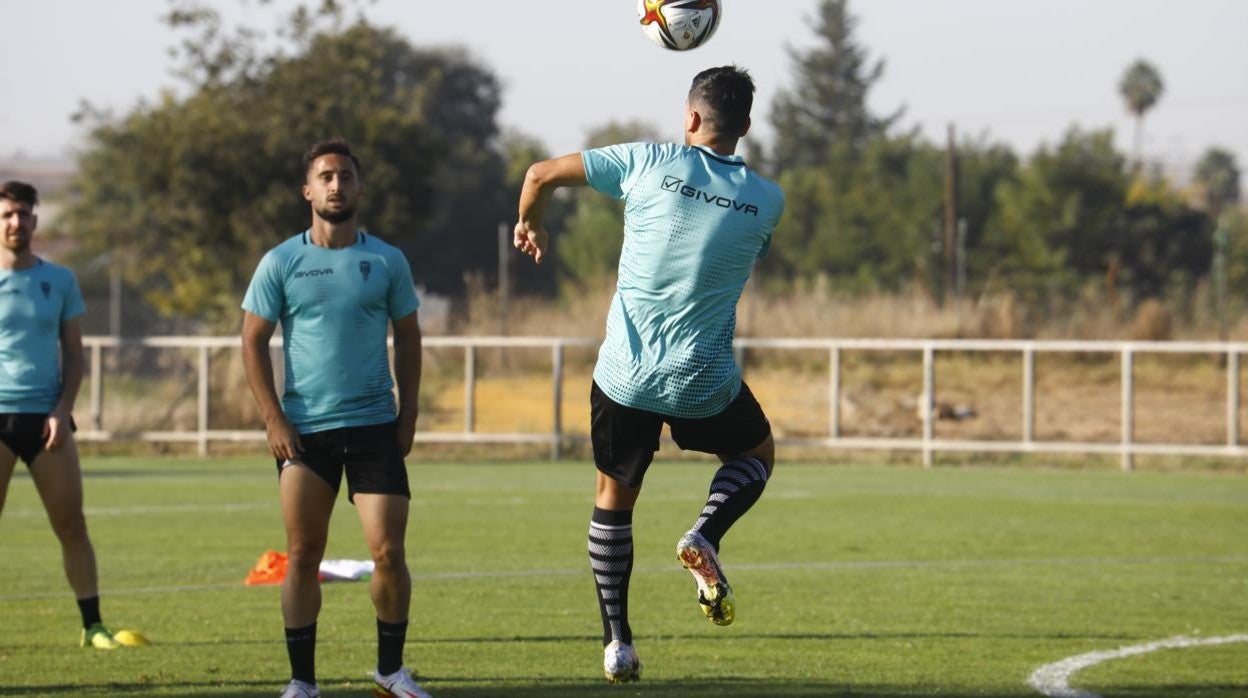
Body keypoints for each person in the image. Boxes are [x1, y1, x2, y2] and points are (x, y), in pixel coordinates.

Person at [513, 65, 784, 682]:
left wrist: (531, 221)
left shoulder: (646, 160)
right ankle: (706, 534)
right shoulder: (767, 201)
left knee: (614, 499)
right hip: (701, 377)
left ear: (690, 118)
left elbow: (538, 175)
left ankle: (618, 644)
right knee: (757, 455)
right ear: (744, 126)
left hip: (625, 376)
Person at [241, 139, 431, 698]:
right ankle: (301, 683)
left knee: (388, 553)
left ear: (359, 188)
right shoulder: (281, 261)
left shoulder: (388, 261)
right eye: (325, 176)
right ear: (308, 190)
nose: (336, 185)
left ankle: (390, 672)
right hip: (304, 433)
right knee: (302, 554)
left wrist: (409, 410)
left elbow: (410, 336)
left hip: (375, 426)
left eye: (345, 176)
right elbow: (252, 341)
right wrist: (273, 419)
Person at [0, 181, 131, 650]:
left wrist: (62, 409)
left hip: (46, 421)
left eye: (23, 214)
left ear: (36, 219)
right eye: (7, 215)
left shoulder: (60, 280)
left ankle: (93, 625)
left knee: (72, 525)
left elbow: (74, 357)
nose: (16, 223)